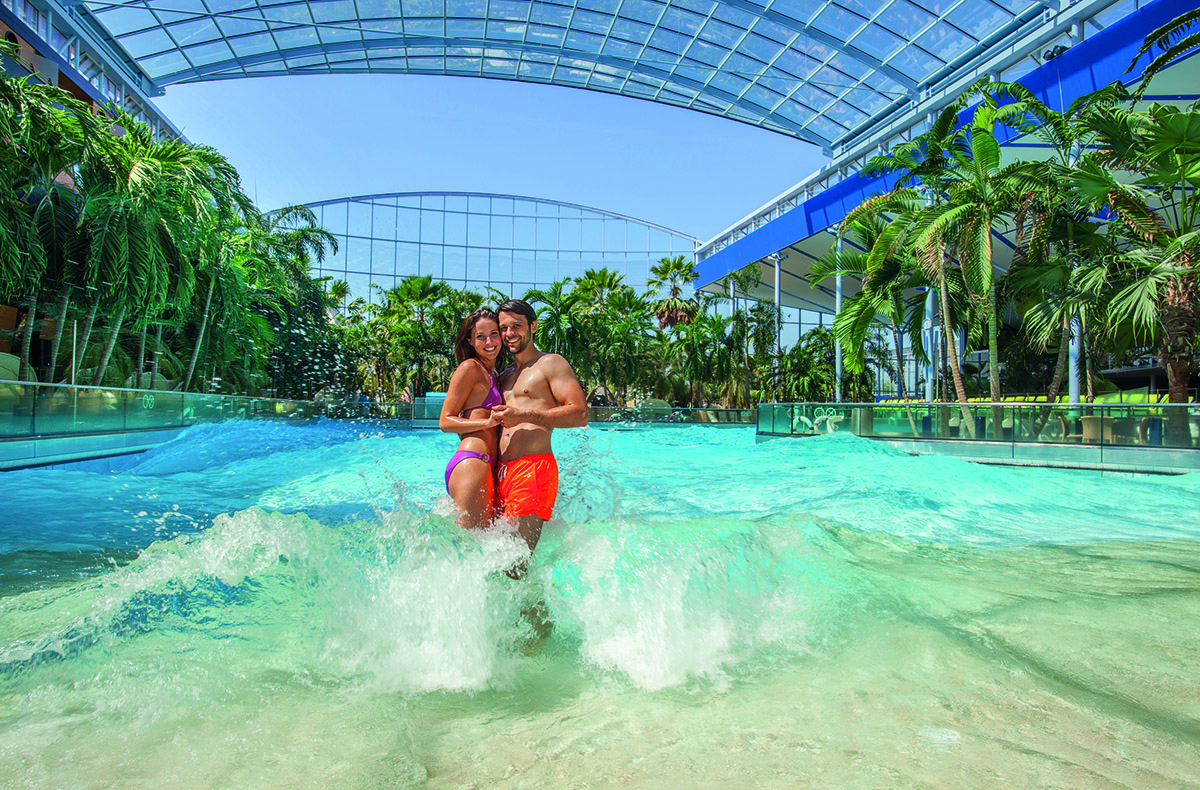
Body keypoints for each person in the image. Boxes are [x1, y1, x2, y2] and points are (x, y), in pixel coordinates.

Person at [492, 299, 588, 577]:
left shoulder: (550, 363)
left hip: (533, 469)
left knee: (514, 567)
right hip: (502, 473)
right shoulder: (504, 375)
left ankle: (538, 620)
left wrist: (525, 415)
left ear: (532, 326)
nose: (509, 333)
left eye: (516, 326)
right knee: (498, 563)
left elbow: (579, 414)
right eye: (504, 328)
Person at [438, 308, 505, 530]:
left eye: (494, 333)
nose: (489, 341)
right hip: (474, 461)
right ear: (470, 341)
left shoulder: (494, 375)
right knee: (469, 549)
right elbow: (445, 421)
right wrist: (485, 423)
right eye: (480, 336)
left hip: (486, 466)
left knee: (481, 551)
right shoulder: (469, 368)